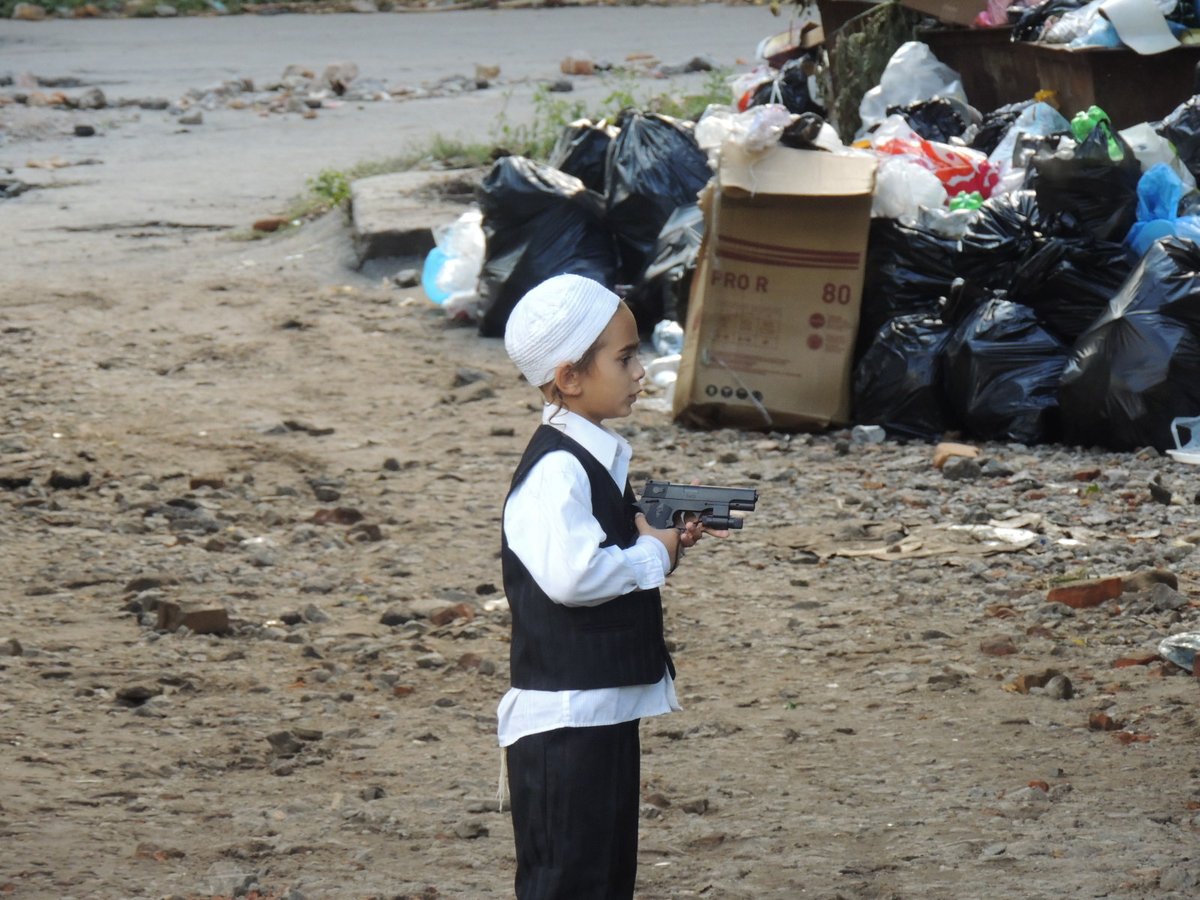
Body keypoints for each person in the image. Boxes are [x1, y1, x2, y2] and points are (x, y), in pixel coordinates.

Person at [497, 273, 722, 900]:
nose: (640, 371)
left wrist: (656, 537)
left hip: (600, 710)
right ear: (569, 377)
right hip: (566, 723)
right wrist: (655, 549)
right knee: (566, 880)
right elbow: (575, 577)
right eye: (625, 357)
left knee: (602, 879)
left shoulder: (588, 458)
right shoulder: (556, 471)